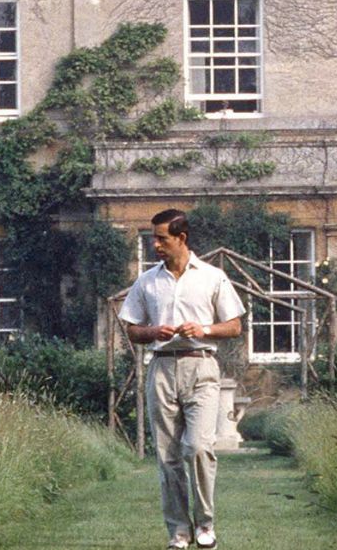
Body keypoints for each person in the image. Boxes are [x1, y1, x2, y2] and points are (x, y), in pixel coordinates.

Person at [119, 208, 247, 549]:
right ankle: (178, 531)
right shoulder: (147, 281)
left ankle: (205, 525)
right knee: (168, 455)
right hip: (161, 368)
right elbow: (131, 329)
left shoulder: (212, 277)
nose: (155, 245)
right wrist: (152, 331)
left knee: (199, 447)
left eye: (162, 239)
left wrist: (203, 328)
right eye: (153, 239)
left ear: (182, 238)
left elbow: (234, 326)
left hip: (202, 366)